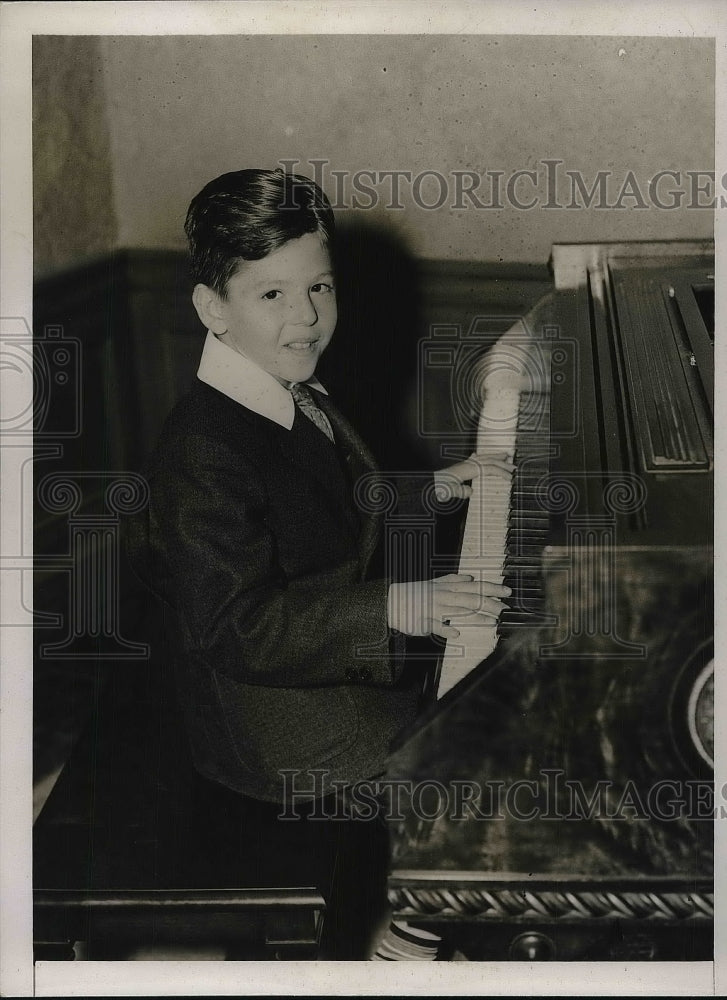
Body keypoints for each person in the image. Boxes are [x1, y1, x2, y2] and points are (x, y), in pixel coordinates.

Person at [125, 167, 512, 958]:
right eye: (271, 295)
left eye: (321, 288)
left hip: (319, 674)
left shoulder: (286, 389)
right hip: (275, 728)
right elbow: (234, 626)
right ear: (212, 309)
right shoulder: (202, 447)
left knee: (489, 710)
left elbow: (333, 504)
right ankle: (407, 936)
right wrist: (396, 607)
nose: (305, 317)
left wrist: (436, 487)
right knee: (485, 770)